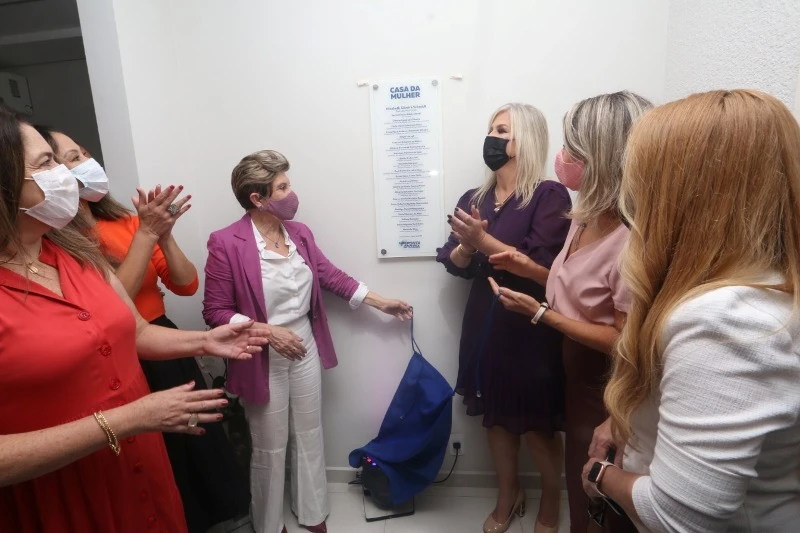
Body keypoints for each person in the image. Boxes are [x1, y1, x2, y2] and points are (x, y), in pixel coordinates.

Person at [0, 107, 269, 532]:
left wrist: (206, 341)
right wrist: (129, 419)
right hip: (62, 496)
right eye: (48, 162)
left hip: (138, 469)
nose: (66, 174)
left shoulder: (74, 250)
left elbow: (136, 330)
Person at [581, 89, 800, 532]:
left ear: (683, 198)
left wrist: (601, 477)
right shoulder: (760, 288)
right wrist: (621, 424)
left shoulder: (725, 323)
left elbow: (678, 518)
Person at [203, 149, 413, 533]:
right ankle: (268, 523)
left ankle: (312, 510)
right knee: (269, 443)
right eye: (282, 187)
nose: (292, 193)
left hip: (303, 343)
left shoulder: (298, 233)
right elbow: (215, 310)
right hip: (260, 349)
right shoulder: (226, 242)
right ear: (257, 198)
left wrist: (380, 301)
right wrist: (266, 332)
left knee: (309, 431)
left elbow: (329, 275)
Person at [489, 91, 651, 532]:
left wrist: (541, 315)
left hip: (607, 384)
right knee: (582, 490)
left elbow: (626, 340)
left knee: (599, 501)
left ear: (604, 156)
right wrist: (529, 269)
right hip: (572, 370)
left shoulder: (633, 238)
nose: (563, 157)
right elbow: (577, 286)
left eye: (574, 148)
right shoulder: (584, 214)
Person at [437, 103, 571, 533]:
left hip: (529, 321)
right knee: (494, 415)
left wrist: (481, 239)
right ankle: (508, 495)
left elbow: (542, 265)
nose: (492, 138)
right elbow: (455, 263)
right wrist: (467, 247)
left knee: (535, 423)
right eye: (491, 129)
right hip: (484, 318)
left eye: (501, 130)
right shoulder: (473, 199)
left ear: (524, 139)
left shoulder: (549, 195)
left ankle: (551, 499)